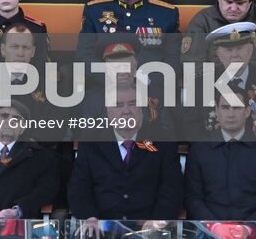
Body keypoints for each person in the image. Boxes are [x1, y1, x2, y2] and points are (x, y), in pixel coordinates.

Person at [68, 78, 182, 224]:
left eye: (133, 103)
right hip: (102, 230)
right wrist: (90, 218)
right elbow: (79, 188)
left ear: (141, 108)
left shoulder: (162, 141)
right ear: (109, 113)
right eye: (118, 105)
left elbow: (172, 190)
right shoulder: (91, 143)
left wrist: (157, 220)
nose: (126, 111)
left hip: (149, 230)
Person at [183, 86, 256, 221]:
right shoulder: (198, 152)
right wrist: (216, 228)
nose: (231, 114)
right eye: (225, 107)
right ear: (216, 111)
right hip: (210, 232)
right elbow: (193, 199)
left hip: (253, 233)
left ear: (247, 111)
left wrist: (247, 229)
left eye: (237, 107)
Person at [184, 22, 256, 142]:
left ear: (251, 49)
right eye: (228, 50)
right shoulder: (199, 85)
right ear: (218, 53)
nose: (235, 55)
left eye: (240, 48)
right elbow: (191, 130)